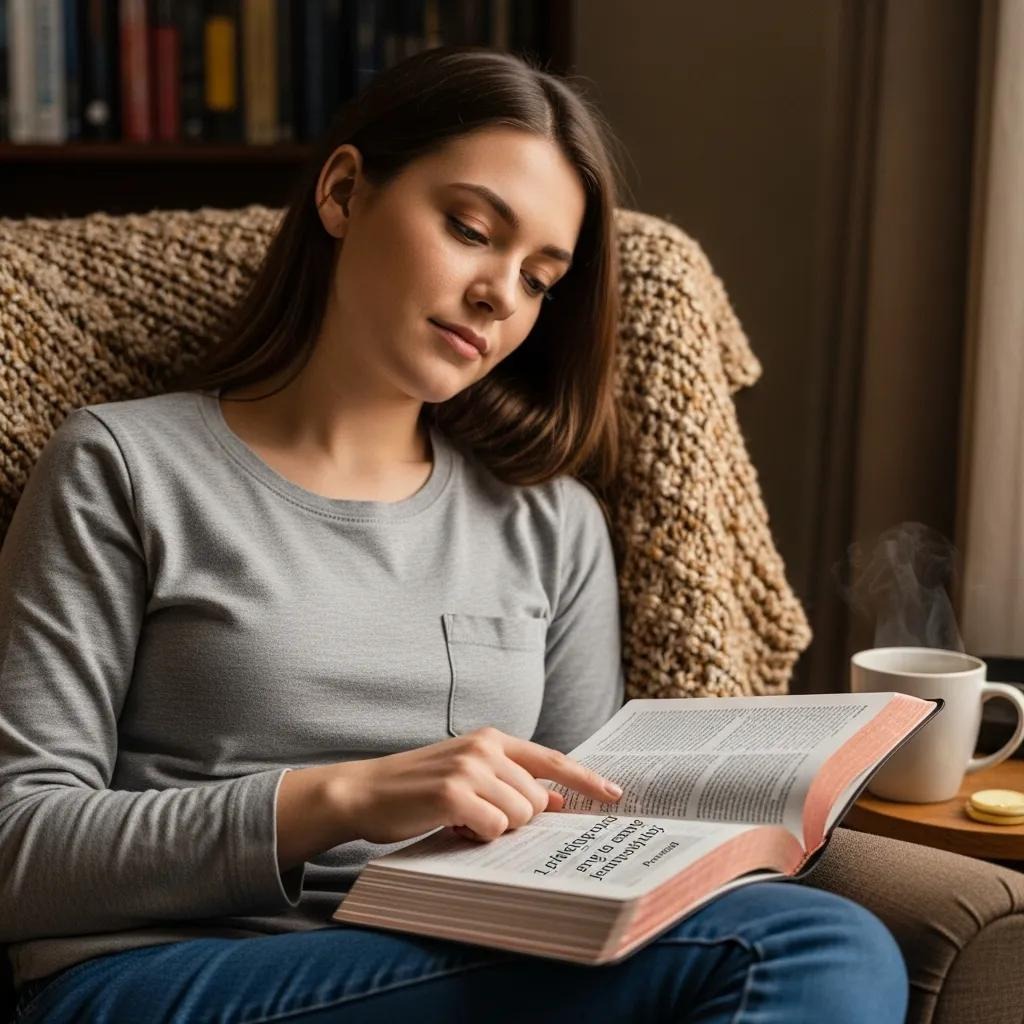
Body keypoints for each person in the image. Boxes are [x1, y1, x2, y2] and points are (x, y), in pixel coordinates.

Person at [1, 45, 908, 1024]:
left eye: (540, 277)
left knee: (795, 931)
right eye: (471, 229)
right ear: (344, 192)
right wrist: (346, 797)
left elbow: (572, 839)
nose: (499, 295)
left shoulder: (550, 524)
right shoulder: (125, 466)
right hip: (160, 977)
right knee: (812, 944)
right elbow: (19, 846)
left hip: (454, 966)